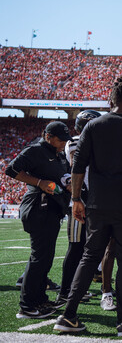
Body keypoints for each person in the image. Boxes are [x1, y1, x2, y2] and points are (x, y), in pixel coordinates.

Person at [53, 78, 122, 337]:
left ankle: (68, 315)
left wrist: (77, 199)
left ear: (111, 101)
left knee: (90, 256)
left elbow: (77, 166)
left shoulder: (93, 125)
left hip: (97, 203)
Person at [6, 121, 73, 319]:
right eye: (60, 140)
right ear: (48, 136)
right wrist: (38, 182)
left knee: (46, 258)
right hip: (38, 208)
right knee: (39, 257)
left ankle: (40, 299)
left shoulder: (58, 154)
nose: (63, 144)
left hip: (52, 210)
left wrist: (68, 184)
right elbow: (11, 170)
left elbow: (61, 177)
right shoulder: (35, 151)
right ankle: (26, 306)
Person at [55, 110, 102, 308]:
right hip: (80, 199)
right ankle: (65, 292)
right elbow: (76, 166)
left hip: (92, 200)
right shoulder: (75, 141)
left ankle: (76, 289)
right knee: (75, 247)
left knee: (85, 248)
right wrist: (78, 198)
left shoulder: (94, 142)